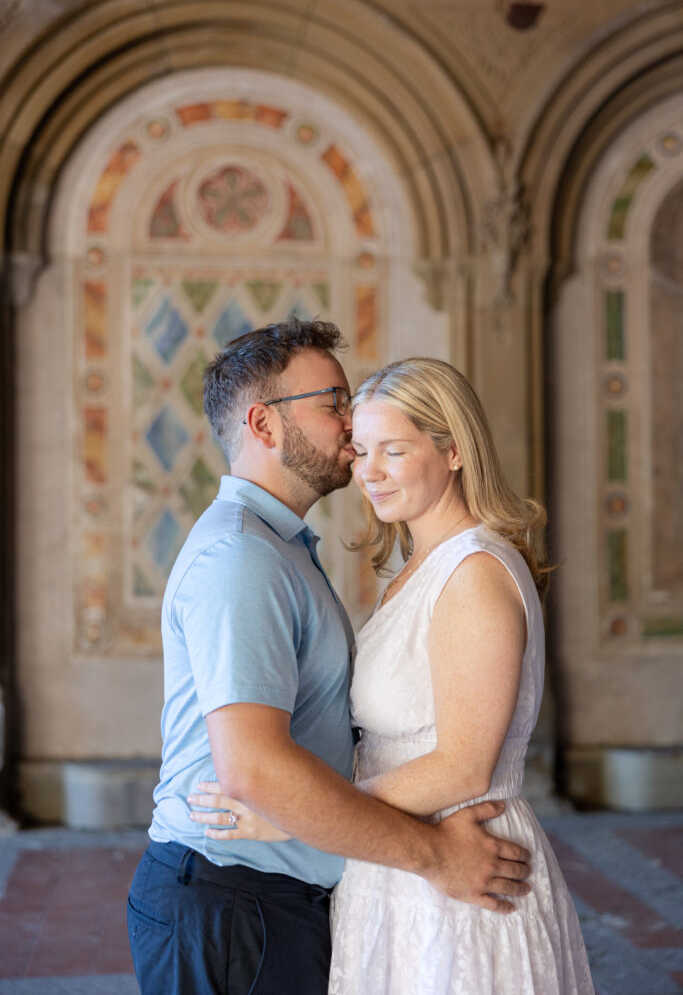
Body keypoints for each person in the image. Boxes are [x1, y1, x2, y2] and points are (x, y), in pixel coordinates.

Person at [127, 322, 532, 995]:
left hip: (267, 897)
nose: (351, 426)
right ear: (263, 424)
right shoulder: (243, 557)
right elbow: (253, 768)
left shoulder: (281, 547)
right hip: (234, 902)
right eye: (333, 403)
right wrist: (434, 856)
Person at [190, 355, 595, 994]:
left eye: (395, 452)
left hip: (462, 865)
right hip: (403, 856)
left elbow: (464, 765)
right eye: (360, 450)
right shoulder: (420, 565)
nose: (368, 473)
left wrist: (301, 815)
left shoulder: (474, 572)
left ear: (454, 451)